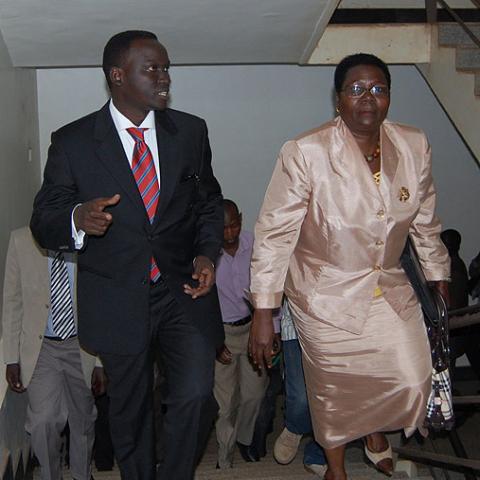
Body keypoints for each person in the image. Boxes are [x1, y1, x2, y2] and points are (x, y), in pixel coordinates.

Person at [30, 30, 224, 480]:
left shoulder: (190, 132)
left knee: (197, 396)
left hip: (182, 291)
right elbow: (45, 217)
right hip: (117, 296)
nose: (164, 77)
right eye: (151, 69)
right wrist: (78, 217)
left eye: (165, 67)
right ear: (118, 76)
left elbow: (209, 202)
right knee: (131, 410)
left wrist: (207, 254)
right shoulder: (74, 141)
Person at [248, 53, 450, 480]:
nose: (368, 99)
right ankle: (336, 468)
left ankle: (374, 431)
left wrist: (438, 275)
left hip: (388, 284)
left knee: (414, 377)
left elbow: (425, 219)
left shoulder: (413, 144)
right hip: (323, 293)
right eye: (356, 89)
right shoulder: (306, 151)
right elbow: (274, 233)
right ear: (337, 98)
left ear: (390, 97)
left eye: (379, 89)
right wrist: (264, 311)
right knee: (333, 390)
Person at [2, 226, 105, 480]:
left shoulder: (89, 237)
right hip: (41, 347)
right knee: (42, 422)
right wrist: (11, 358)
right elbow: (12, 301)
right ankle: (51, 475)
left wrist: (102, 361)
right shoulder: (21, 240)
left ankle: (82, 475)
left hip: (82, 344)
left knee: (82, 420)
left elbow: (103, 299)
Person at [214, 199, 269, 469]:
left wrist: (273, 330)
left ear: (242, 220)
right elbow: (201, 304)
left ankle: (244, 439)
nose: (229, 233)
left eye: (234, 225)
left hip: (252, 329)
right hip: (221, 334)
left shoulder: (255, 245)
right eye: (223, 228)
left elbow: (268, 288)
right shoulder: (206, 254)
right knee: (225, 403)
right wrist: (213, 341)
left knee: (254, 394)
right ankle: (225, 456)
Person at [273, 301, 327, 477]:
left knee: (329, 398)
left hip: (334, 325)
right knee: (301, 397)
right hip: (296, 325)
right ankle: (295, 427)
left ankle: (317, 455)